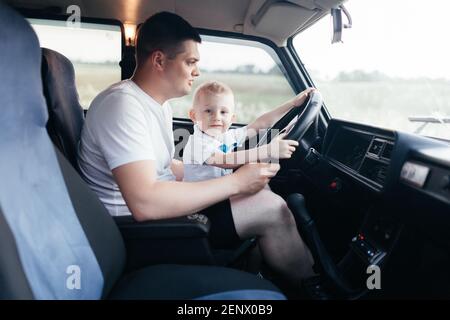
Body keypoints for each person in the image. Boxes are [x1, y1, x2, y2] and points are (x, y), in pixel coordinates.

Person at [77, 11, 314, 286]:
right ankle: (313, 287)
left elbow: (165, 168)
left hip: (158, 216)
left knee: (261, 191)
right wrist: (236, 182)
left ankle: (258, 274)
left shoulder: (156, 105)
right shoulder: (122, 106)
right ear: (159, 60)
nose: (197, 71)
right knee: (272, 209)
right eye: (190, 62)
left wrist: (216, 171)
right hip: (140, 233)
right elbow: (144, 203)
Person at [183, 80, 315, 182]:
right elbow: (225, 160)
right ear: (194, 116)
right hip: (202, 199)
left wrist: (292, 104)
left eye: (223, 112)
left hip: (219, 190)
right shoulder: (197, 143)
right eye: (208, 111)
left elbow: (260, 124)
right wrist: (269, 150)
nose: (217, 117)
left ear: (232, 118)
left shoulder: (227, 136)